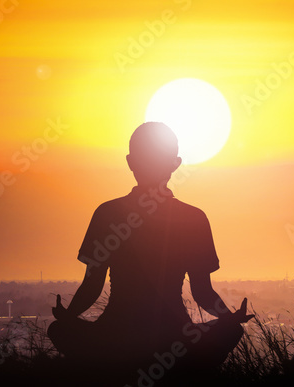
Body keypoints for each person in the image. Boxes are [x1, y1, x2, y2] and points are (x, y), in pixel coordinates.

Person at [47, 121, 252, 374]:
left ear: (131, 162)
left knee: (60, 330)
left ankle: (113, 368)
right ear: (175, 164)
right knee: (230, 331)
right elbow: (202, 292)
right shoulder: (193, 218)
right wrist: (229, 318)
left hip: (115, 336)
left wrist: (68, 316)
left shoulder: (108, 213)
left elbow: (92, 286)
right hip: (175, 338)